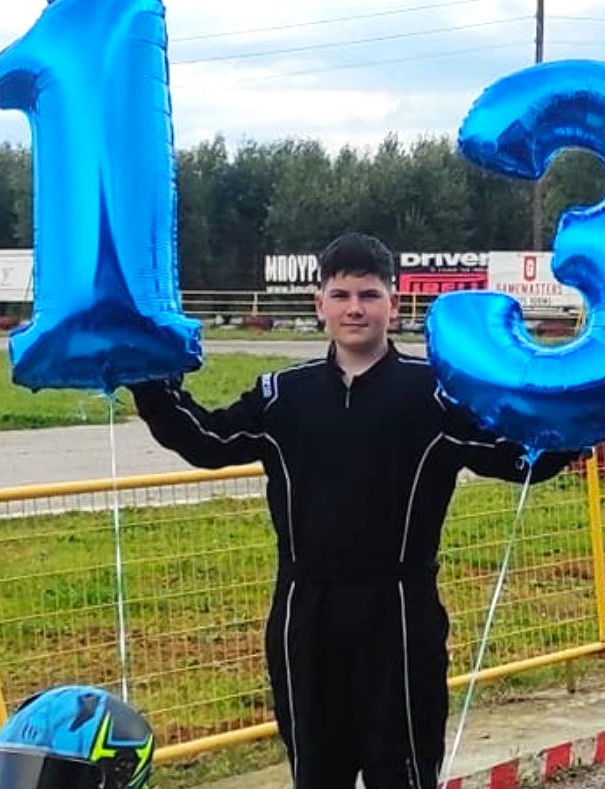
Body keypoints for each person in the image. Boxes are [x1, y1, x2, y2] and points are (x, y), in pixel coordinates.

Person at [129, 233, 573, 789]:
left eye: (368, 294)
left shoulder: (435, 394)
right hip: (303, 612)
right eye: (340, 295)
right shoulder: (281, 396)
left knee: (404, 772)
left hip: (400, 614)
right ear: (320, 305)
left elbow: (515, 460)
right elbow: (207, 442)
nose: (354, 308)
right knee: (317, 773)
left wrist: (584, 423)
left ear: (394, 300)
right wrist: (147, 381)